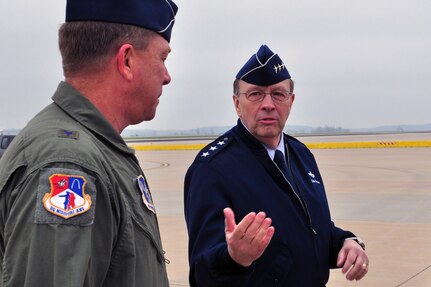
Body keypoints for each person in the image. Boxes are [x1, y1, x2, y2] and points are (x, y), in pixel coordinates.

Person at [0, 0, 178, 286]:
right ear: (127, 61)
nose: (167, 77)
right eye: (163, 58)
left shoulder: (94, 149)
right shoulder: (68, 164)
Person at [184, 44, 369, 286]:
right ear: (237, 104)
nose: (268, 104)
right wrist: (234, 259)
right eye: (255, 94)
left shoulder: (301, 155)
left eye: (278, 94)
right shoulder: (212, 169)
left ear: (291, 102)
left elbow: (311, 231)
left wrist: (346, 242)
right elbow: (203, 274)